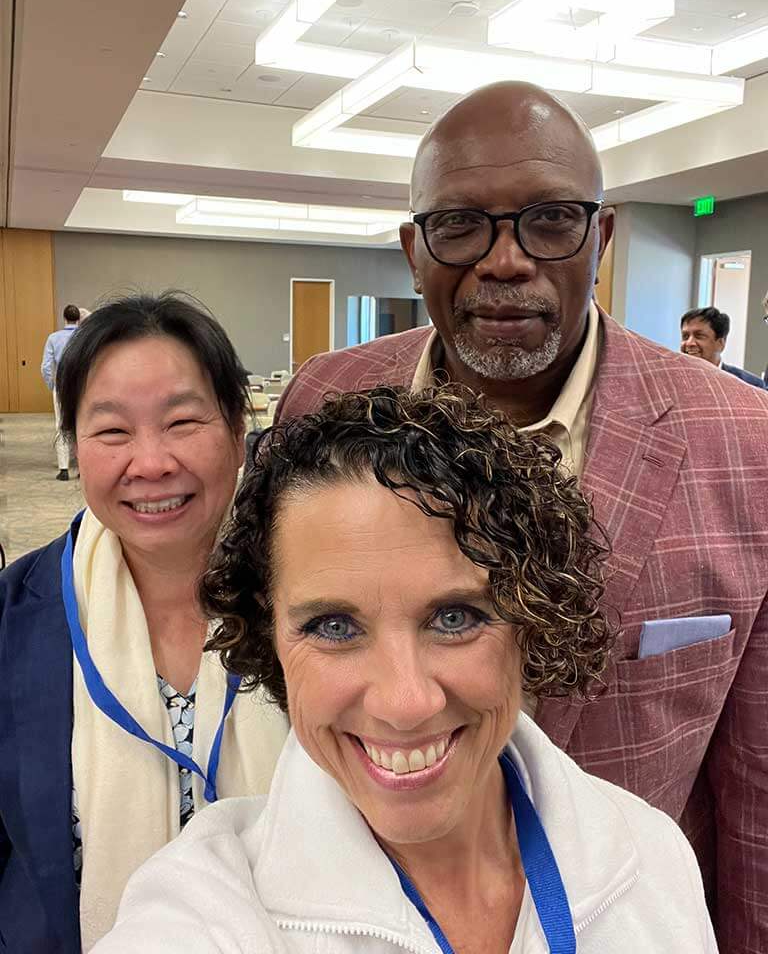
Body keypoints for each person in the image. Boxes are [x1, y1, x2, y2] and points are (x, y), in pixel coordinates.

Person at [274, 82, 768, 954]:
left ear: (602, 237)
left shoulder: (743, 442)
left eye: (550, 220)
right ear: (412, 250)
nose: (506, 260)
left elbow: (757, 779)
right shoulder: (326, 398)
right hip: (359, 912)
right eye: (461, 225)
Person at [93, 385, 715, 954]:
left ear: (531, 618)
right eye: (334, 627)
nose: (405, 701)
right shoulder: (201, 914)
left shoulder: (654, 859)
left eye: (454, 618)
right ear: (270, 637)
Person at [0, 292, 288, 953]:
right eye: (111, 431)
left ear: (239, 429)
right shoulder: (15, 618)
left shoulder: (322, 602)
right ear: (74, 443)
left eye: (182, 422)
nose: (151, 462)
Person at [680, 305, 766, 388]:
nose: (689, 343)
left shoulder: (750, 384)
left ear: (720, 343)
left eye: (699, 336)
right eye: (685, 336)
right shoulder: (671, 380)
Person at [41, 303, 81, 480]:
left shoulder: (53, 338)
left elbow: (46, 367)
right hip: (82, 385)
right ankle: (82, 468)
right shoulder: (84, 336)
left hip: (62, 385)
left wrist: (53, 385)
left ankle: (64, 469)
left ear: (64, 318)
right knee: (81, 424)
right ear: (78, 318)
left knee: (61, 425)